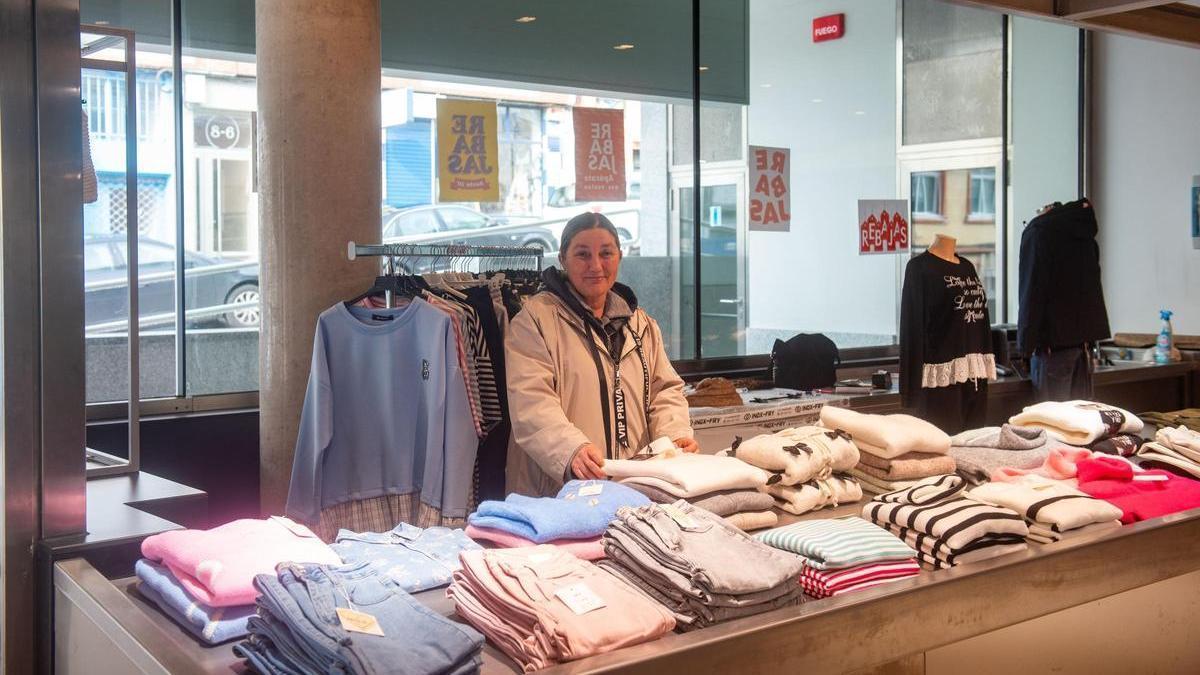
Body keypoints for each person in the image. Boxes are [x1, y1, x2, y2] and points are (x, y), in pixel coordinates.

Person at [505, 212, 697, 496]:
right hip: (562, 491)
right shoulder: (535, 321)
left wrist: (675, 435)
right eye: (582, 254)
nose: (596, 265)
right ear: (562, 259)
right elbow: (531, 403)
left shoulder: (641, 324)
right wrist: (571, 449)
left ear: (619, 256)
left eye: (606, 253)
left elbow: (664, 390)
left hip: (634, 487)